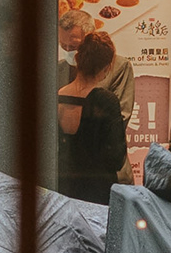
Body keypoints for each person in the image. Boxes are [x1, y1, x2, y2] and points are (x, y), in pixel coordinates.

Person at [56, 31, 130, 206]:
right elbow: (116, 157)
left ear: (78, 60)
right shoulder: (106, 101)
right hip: (97, 194)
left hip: (64, 190)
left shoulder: (57, 96)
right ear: (106, 67)